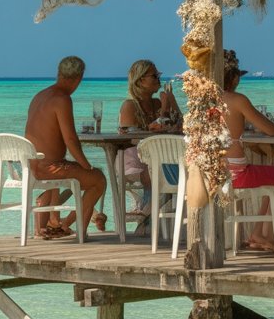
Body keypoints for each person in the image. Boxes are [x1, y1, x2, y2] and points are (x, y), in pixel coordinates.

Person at [220, 49, 274, 253]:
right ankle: (273, 238)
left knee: (271, 180)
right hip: (237, 174)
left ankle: (259, 234)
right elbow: (270, 130)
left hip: (215, 175)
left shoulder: (204, 103)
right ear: (234, 76)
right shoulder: (237, 100)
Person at [24, 56, 108, 239]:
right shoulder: (62, 99)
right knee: (98, 179)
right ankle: (77, 231)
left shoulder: (40, 96)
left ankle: (58, 224)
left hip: (32, 166)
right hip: (51, 168)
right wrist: (86, 165)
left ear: (58, 73)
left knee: (81, 175)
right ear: (79, 78)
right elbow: (70, 140)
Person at [117, 59, 181, 224]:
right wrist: (163, 112)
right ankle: (145, 217)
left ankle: (144, 215)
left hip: (155, 160)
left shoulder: (156, 103)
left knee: (178, 174)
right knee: (158, 172)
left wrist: (171, 102)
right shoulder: (129, 106)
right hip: (133, 162)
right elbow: (129, 138)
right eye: (154, 75)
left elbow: (179, 125)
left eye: (158, 75)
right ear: (140, 80)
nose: (158, 78)